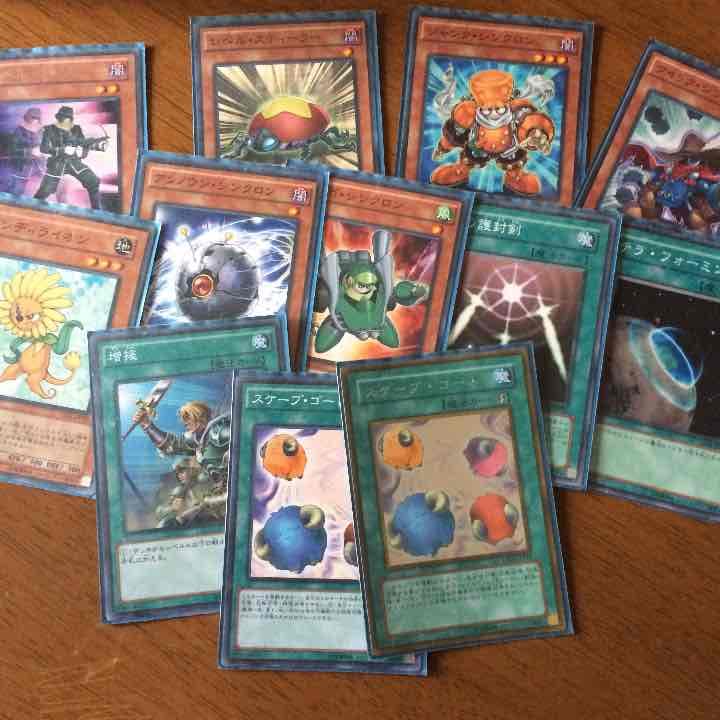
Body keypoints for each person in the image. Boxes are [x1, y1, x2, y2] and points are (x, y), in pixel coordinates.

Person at [34, 105, 107, 209]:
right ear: (59, 118)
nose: (66, 121)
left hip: (74, 163)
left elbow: (83, 143)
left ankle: (97, 211)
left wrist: (84, 151)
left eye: (68, 118)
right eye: (64, 118)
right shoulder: (49, 129)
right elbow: (44, 148)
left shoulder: (76, 128)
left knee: (93, 181)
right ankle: (31, 209)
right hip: (57, 163)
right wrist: (62, 150)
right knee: (45, 191)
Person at [5, 107, 43, 196]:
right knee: (14, 191)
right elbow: (12, 150)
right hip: (18, 167)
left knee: (22, 191)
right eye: (33, 117)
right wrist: (30, 151)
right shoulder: (19, 130)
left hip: (32, 168)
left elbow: (41, 146)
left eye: (37, 118)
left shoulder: (40, 131)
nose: (35, 120)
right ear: (28, 117)